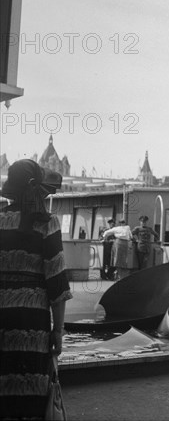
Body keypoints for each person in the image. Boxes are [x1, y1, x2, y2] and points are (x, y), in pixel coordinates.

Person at [0, 159, 72, 419]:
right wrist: (59, 331)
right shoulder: (47, 223)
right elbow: (57, 284)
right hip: (31, 321)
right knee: (31, 388)